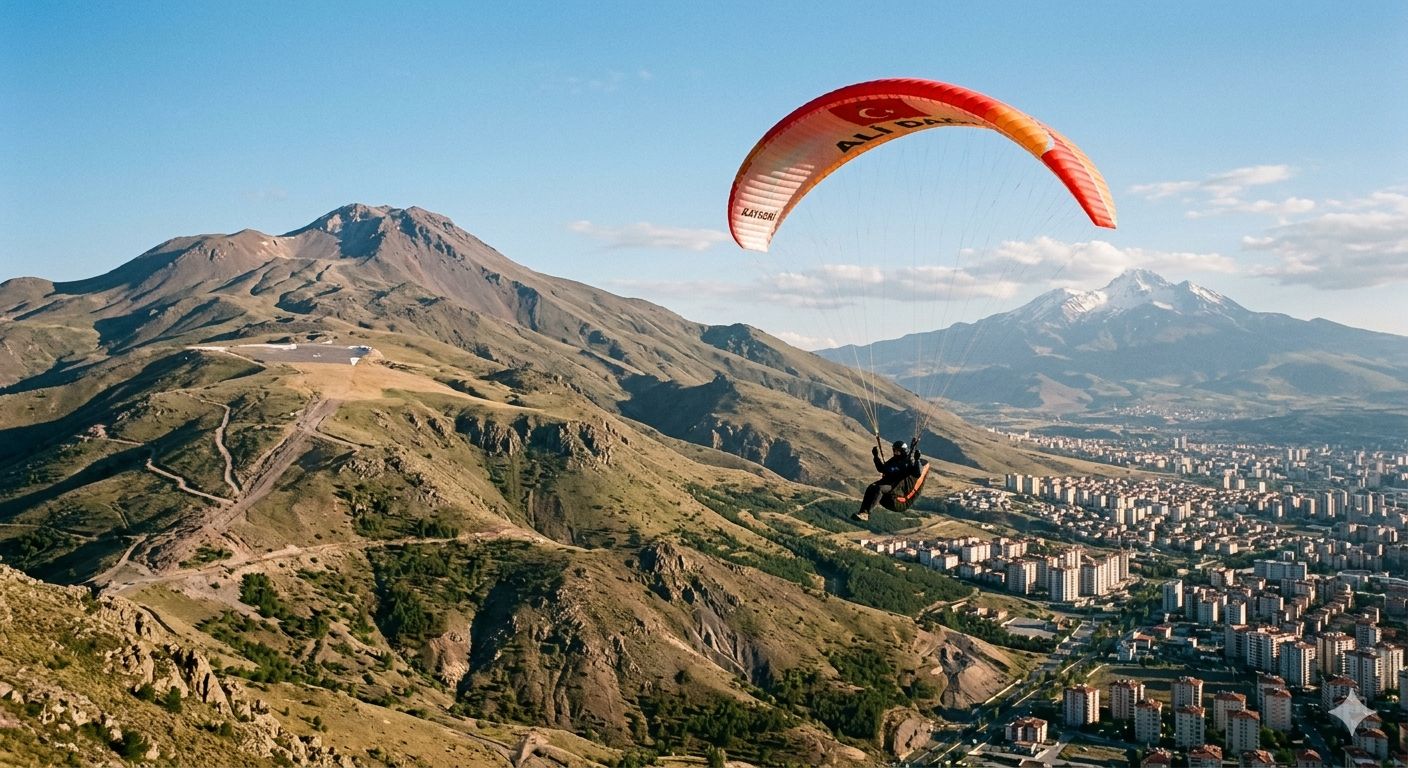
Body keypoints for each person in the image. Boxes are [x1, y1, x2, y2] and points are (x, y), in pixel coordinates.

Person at [853, 438, 923, 521]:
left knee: (879, 489)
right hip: (887, 482)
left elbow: (917, 473)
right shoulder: (893, 460)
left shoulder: (908, 462)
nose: (896, 453)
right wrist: (876, 457)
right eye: (894, 451)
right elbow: (882, 469)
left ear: (903, 451)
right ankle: (863, 512)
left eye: (898, 451)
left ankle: (867, 514)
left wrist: (917, 460)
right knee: (871, 487)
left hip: (895, 486)